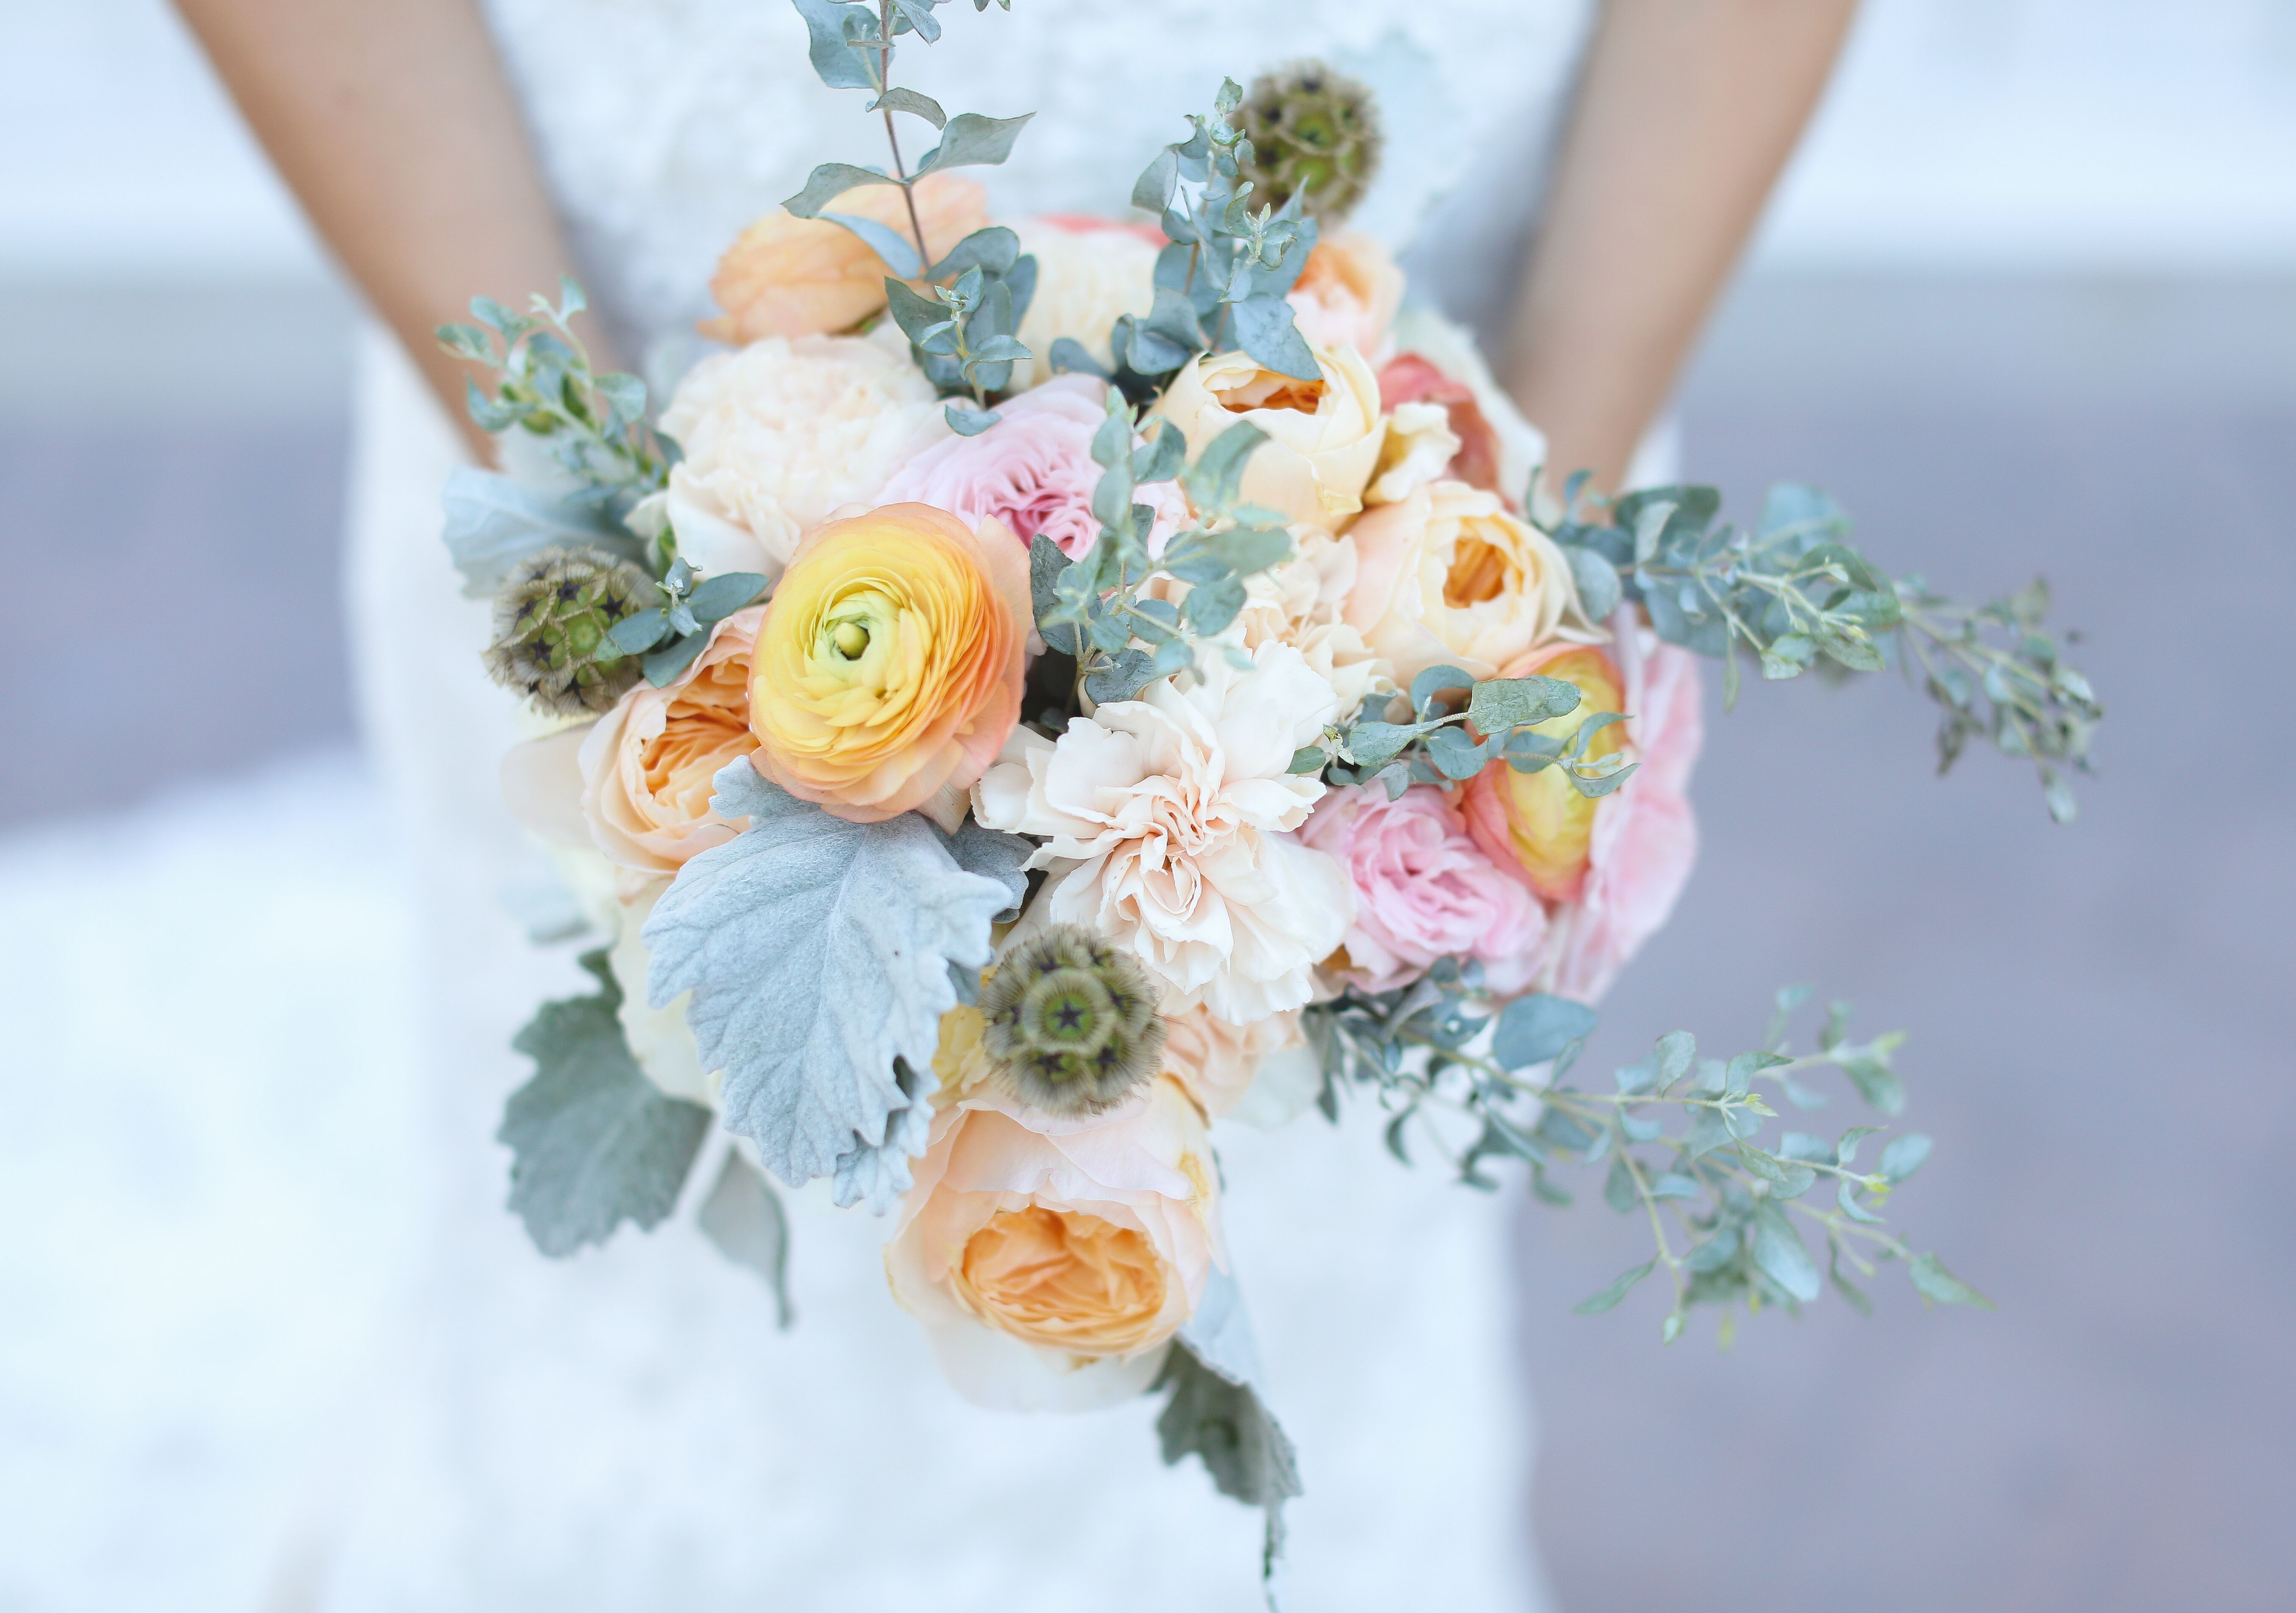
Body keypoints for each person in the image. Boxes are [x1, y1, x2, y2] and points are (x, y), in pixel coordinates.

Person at [176, 3, 1856, 1607]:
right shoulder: (611, 543)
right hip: (611, 388)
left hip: (1414, 484)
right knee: (659, 1293)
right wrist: (602, 519)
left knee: (1328, 1272)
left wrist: (1511, 512)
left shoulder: (1447, 554)